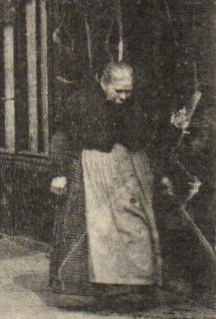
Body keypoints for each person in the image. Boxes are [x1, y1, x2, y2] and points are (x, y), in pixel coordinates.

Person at [48, 60, 169, 301]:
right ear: (104, 84)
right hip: (95, 173)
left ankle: (136, 283)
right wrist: (59, 173)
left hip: (131, 174)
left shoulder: (135, 107)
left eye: (128, 91)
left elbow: (149, 140)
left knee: (137, 227)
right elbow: (62, 137)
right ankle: (104, 285)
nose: (124, 96)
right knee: (100, 229)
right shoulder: (81, 103)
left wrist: (161, 173)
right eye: (118, 90)